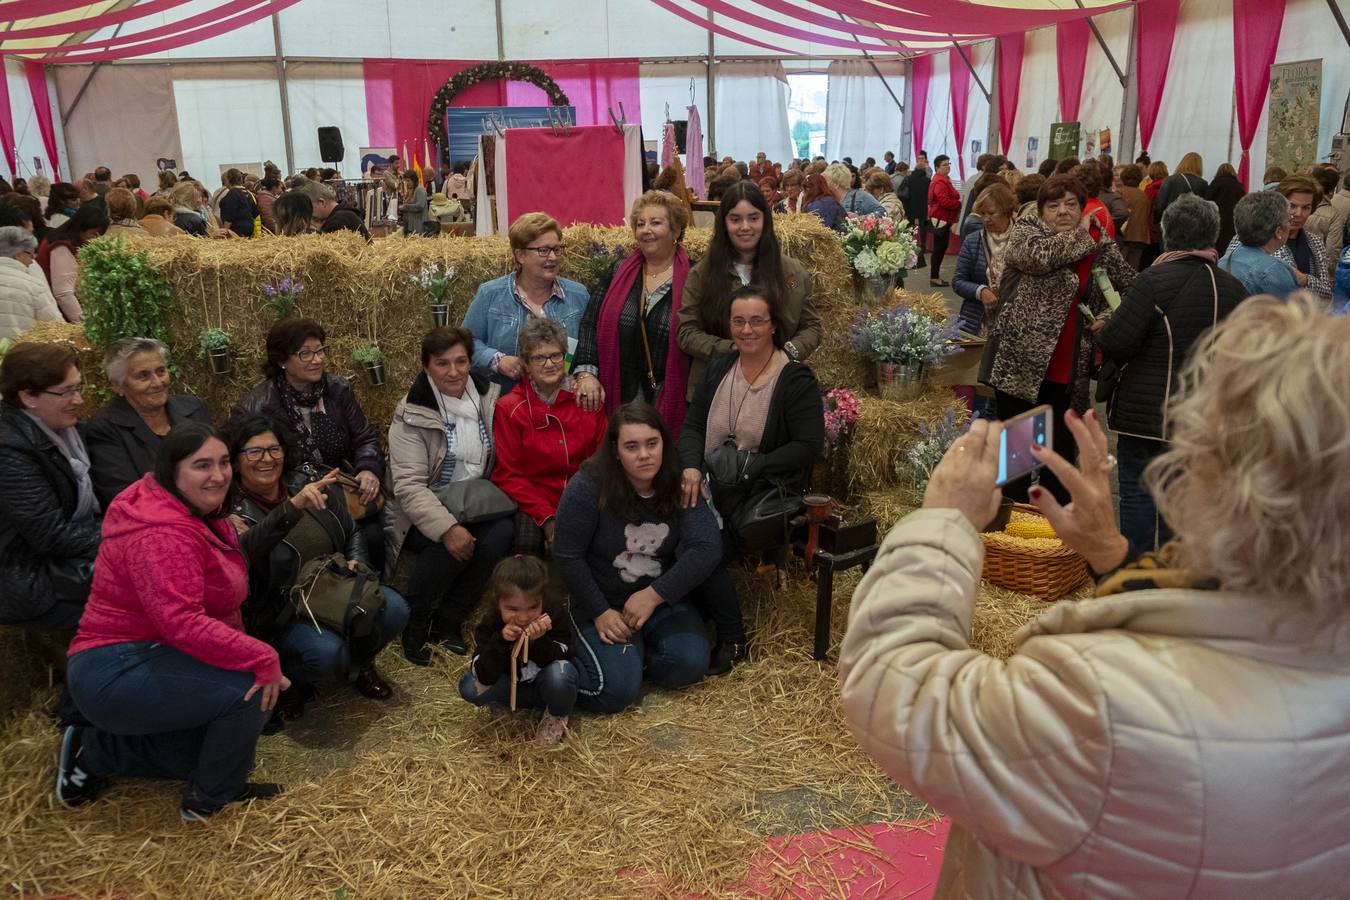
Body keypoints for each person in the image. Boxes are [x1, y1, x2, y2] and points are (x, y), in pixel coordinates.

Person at [840, 294, 1350, 897]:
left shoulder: (1103, 699)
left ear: (1228, 480)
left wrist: (943, 522)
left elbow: (890, 684)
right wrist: (1111, 555)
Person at [56, 422, 335, 819]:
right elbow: (181, 622)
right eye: (202, 465)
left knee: (214, 747)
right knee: (252, 691)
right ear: (173, 470)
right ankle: (208, 799)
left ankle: (98, 750)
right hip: (117, 664)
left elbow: (231, 563)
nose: (218, 474)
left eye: (223, 462)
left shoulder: (197, 512)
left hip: (154, 651)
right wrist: (259, 656)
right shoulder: (162, 534)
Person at [224, 414, 408, 717]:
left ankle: (360, 666)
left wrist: (357, 562)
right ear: (234, 460)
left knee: (396, 609)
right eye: (253, 451)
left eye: (274, 449)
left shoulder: (304, 482)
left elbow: (352, 530)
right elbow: (247, 553)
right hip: (287, 611)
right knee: (327, 655)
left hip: (335, 587)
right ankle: (290, 681)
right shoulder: (232, 512)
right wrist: (292, 508)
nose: (266, 459)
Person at [677, 284, 821, 670]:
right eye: (738, 321)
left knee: (703, 550)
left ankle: (733, 638)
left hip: (756, 492)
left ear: (774, 325)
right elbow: (691, 426)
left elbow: (808, 446)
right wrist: (691, 465)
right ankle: (688, 624)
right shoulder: (721, 367)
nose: (747, 330)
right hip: (708, 484)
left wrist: (754, 465)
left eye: (757, 320)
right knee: (674, 538)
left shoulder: (794, 379)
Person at [554, 402, 732, 711]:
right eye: (632, 446)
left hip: (656, 599)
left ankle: (632, 662)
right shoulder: (588, 485)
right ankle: (553, 680)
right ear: (616, 450)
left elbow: (707, 547)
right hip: (601, 600)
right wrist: (599, 611)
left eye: (652, 443)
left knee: (688, 666)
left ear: (664, 442)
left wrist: (654, 595)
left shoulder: (679, 483)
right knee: (615, 693)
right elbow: (567, 554)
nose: (644, 454)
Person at [1097, 193, 1248, 554]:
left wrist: (1104, 327)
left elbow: (1119, 341)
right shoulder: (1233, 289)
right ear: (1214, 237)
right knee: (1182, 500)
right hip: (1201, 415)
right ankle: (1171, 575)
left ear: (1167, 232)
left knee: (1136, 492)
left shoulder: (1153, 280)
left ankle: (1134, 574)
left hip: (1146, 414)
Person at [982, 174, 1135, 502]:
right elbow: (1039, 258)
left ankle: (1052, 539)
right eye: (1054, 205)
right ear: (1041, 210)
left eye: (1071, 204)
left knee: (1061, 460)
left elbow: (1130, 284)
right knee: (1019, 460)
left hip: (1068, 370)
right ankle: (1010, 534)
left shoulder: (1098, 239)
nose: (1064, 212)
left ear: (1083, 207)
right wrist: (1084, 236)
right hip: (1022, 365)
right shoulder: (1027, 231)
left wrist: (1107, 317)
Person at [387, 326, 515, 664]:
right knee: (447, 546)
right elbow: (409, 487)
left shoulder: (488, 398)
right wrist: (447, 528)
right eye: (443, 364)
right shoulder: (411, 413)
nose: (454, 371)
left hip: (473, 501)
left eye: (461, 361)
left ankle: (451, 618)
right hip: (422, 510)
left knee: (502, 532)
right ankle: (416, 619)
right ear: (426, 366)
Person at [235, 318, 385, 568]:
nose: (317, 360)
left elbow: (365, 437)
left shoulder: (337, 389)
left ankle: (369, 594)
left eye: (320, 350)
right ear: (281, 360)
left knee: (373, 536)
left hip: (340, 487)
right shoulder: (257, 406)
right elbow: (237, 462)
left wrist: (368, 467)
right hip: (291, 495)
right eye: (305, 353)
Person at [678, 182, 822, 400]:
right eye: (735, 219)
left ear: (765, 220)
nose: (745, 226)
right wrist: (735, 349)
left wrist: (786, 353)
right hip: (715, 388)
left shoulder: (792, 271)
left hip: (778, 388)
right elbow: (686, 332)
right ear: (724, 223)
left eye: (753, 218)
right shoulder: (702, 274)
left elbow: (811, 326)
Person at [574, 192, 693, 437]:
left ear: (677, 230)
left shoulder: (696, 278)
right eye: (640, 224)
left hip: (672, 398)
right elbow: (590, 323)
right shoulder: (619, 270)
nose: (646, 230)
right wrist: (587, 373)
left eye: (656, 222)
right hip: (622, 394)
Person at [0, 342, 101, 631]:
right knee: (134, 613)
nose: (79, 400)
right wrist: (123, 535)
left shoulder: (66, 430)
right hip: (29, 578)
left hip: (65, 560)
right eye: (67, 391)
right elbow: (51, 535)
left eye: (78, 388)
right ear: (28, 397)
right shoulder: (9, 449)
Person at [491, 317, 607, 553]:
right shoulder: (509, 408)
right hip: (533, 502)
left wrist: (584, 505)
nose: (549, 364)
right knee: (526, 542)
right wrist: (546, 517)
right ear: (525, 363)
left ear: (565, 357)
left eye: (556, 355)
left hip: (584, 498)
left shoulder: (586, 398)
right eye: (539, 357)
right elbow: (508, 475)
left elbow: (604, 461)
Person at [462, 212, 590, 391]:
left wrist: (586, 374)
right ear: (520, 255)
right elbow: (465, 342)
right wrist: (497, 360)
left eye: (557, 249)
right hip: (506, 405)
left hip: (563, 406)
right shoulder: (490, 294)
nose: (552, 257)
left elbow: (592, 347)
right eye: (543, 250)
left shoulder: (578, 295)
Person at [458, 554, 576, 745]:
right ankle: (500, 703)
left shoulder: (553, 615)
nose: (523, 618)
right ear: (498, 602)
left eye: (532, 607)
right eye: (512, 609)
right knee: (468, 687)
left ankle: (556, 715)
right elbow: (483, 673)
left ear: (542, 599)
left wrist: (537, 642)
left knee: (561, 674)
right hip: (508, 687)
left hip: (541, 687)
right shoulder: (491, 623)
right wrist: (502, 640)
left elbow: (568, 656)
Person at [86, 338, 211, 507]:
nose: (158, 383)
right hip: (158, 524)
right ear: (118, 385)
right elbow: (128, 498)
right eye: (143, 376)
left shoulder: (194, 408)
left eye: (161, 371)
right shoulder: (104, 429)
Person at [1224, 175, 1331, 303]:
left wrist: (1305, 280)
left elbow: (1327, 292)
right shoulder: (1249, 236)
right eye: (1292, 206)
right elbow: (1228, 276)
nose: (1299, 214)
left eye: (1306, 208)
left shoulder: (1315, 243)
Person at [952, 183, 1017, 334]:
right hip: (979, 321)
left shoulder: (1023, 239)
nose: (986, 219)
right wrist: (980, 291)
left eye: (991, 213)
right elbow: (958, 281)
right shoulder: (973, 240)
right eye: (982, 214)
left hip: (1016, 323)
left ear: (1006, 211)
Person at [1218, 191, 1301, 297]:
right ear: (1278, 232)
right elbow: (1293, 311)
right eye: (1290, 219)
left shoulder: (1223, 261)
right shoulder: (1275, 271)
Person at [36, 204, 108, 322]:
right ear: (80, 229)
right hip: (57, 313)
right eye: (94, 234)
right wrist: (83, 325)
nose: (97, 240)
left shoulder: (66, 240)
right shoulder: (62, 246)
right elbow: (63, 294)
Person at [0, 227, 61, 340]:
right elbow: (56, 328)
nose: (32, 261)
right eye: (31, 255)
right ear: (19, 254)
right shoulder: (34, 286)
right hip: (20, 355)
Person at [926, 155, 961, 287]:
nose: (948, 166)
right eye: (944, 164)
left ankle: (935, 276)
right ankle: (934, 277)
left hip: (943, 217)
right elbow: (943, 201)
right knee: (939, 249)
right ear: (937, 167)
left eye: (949, 163)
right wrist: (959, 204)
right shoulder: (939, 181)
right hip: (941, 218)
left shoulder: (944, 179)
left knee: (940, 248)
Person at [300, 180, 370, 240]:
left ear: (321, 202)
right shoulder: (346, 213)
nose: (308, 212)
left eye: (308, 207)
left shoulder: (338, 221)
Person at [1305, 165, 1346, 263]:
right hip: (1319, 268)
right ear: (1332, 190)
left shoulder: (1301, 205)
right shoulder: (1334, 215)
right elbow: (1333, 251)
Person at [1152, 152, 1207, 223]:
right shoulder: (1203, 184)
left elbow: (1160, 205)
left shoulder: (1170, 180)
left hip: (1170, 222)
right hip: (1192, 224)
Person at [1116, 164, 1153, 269]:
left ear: (1123, 177)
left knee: (1118, 268)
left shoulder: (1120, 192)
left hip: (1123, 236)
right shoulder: (1144, 196)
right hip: (1140, 237)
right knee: (1132, 269)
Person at [1205, 162, 1245, 253]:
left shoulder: (1215, 184)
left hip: (1217, 219)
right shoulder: (1239, 186)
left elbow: (1206, 201)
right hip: (1233, 221)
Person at [901, 154, 931, 268]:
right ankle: (922, 245)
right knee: (922, 227)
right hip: (922, 207)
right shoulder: (927, 181)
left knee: (910, 226)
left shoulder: (908, 178)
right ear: (924, 170)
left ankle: (908, 244)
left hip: (910, 207)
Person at [217, 169, 259, 238]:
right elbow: (255, 213)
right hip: (249, 230)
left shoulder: (232, 193)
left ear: (228, 180)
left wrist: (224, 231)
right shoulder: (248, 193)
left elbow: (229, 215)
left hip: (236, 232)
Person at [400, 171, 428, 236]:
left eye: (408, 181)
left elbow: (420, 206)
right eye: (405, 181)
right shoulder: (413, 190)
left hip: (419, 224)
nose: (407, 183)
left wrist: (405, 206)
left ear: (414, 180)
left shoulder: (420, 190)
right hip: (414, 224)